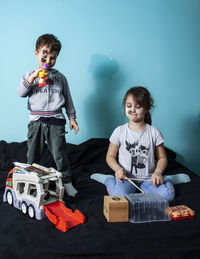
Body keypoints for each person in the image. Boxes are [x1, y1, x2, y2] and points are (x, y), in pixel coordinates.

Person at [17, 34, 79, 197]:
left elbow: (68, 99)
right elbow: (21, 93)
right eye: (44, 55)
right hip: (36, 121)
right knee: (33, 153)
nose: (48, 60)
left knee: (60, 153)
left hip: (56, 120)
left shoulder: (60, 77)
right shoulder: (30, 75)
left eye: (53, 58)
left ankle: (66, 181)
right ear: (36, 53)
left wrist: (72, 118)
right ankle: (31, 180)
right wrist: (33, 77)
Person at [91, 86, 175, 201]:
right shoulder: (120, 131)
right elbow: (110, 156)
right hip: (127, 178)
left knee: (167, 195)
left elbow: (162, 157)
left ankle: (167, 179)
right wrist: (117, 169)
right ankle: (108, 180)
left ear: (146, 108)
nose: (133, 110)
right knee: (118, 197)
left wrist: (158, 172)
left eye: (138, 106)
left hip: (149, 178)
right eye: (129, 106)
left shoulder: (153, 132)